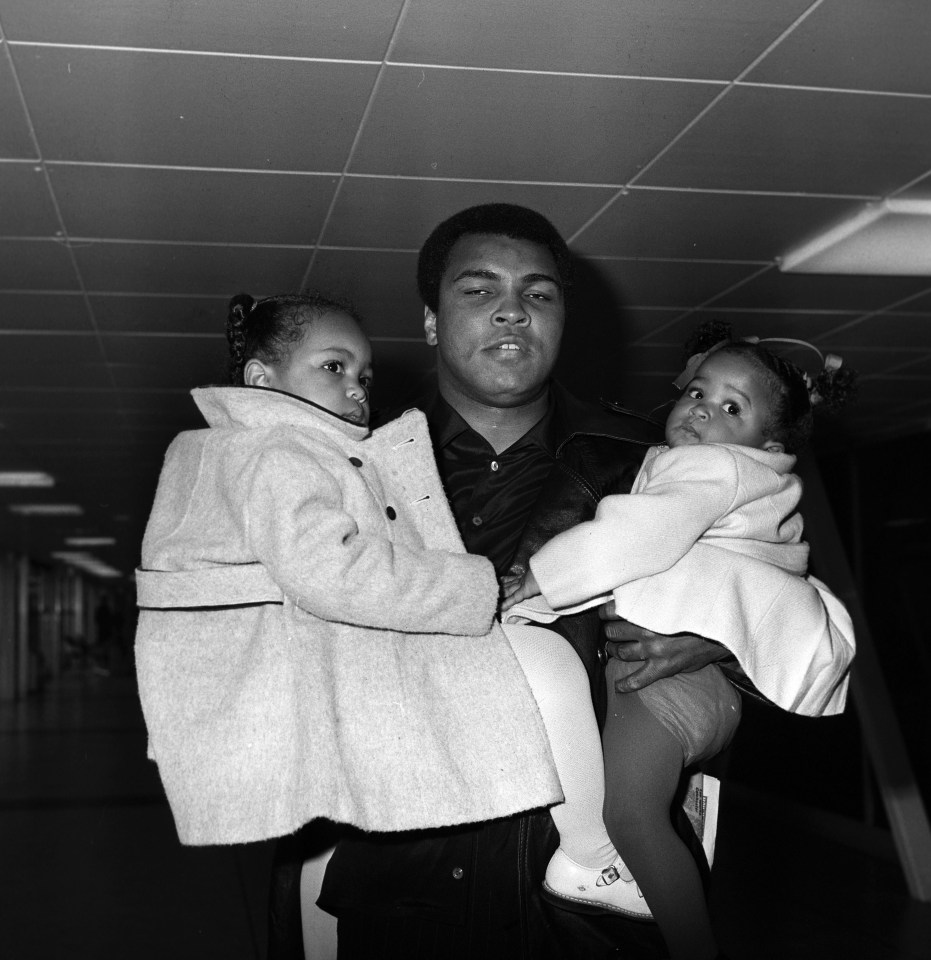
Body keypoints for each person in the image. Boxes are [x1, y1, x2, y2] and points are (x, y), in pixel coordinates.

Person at [273, 204, 855, 960]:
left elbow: (790, 612)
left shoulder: (659, 460)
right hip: (409, 888)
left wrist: (715, 649)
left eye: (538, 294)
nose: (512, 311)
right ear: (429, 320)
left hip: (591, 910)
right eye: (479, 291)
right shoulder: (346, 465)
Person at [133, 292, 564, 847]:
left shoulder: (237, 449)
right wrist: (473, 589)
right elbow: (335, 572)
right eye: (333, 367)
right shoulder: (278, 452)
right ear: (261, 379)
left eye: (365, 373)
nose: (357, 386)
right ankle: (591, 854)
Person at [501, 324, 857, 959]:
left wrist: (537, 577)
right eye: (697, 390)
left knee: (629, 816)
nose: (701, 408)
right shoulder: (749, 485)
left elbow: (631, 536)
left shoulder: (713, 470)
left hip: (671, 687)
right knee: (627, 808)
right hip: (695, 694)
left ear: (767, 444)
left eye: (731, 407)